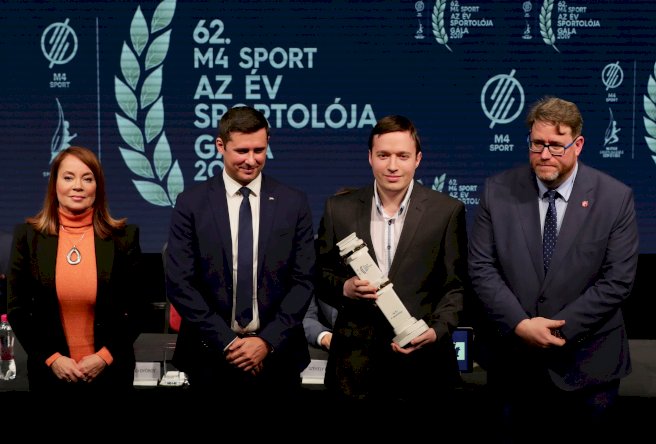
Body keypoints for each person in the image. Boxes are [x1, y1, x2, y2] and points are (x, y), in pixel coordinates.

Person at [468, 96, 639, 441]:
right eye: (537, 143)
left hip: (588, 368)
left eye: (556, 145)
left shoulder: (614, 198)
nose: (545, 154)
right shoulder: (497, 191)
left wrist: (557, 330)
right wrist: (521, 325)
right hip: (514, 365)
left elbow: (617, 281)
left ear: (578, 144)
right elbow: (482, 268)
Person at [315, 114, 469, 402]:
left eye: (403, 156)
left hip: (424, 365)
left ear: (418, 159)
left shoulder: (447, 211)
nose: (393, 165)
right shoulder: (338, 209)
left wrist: (436, 331)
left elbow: (456, 287)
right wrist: (345, 287)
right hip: (355, 368)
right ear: (370, 157)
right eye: (383, 155)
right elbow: (319, 275)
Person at [165, 106, 315, 398]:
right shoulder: (191, 203)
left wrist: (265, 342)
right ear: (220, 145)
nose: (251, 160)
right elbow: (180, 283)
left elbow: (303, 281)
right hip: (209, 357)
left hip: (278, 358)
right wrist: (229, 343)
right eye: (242, 151)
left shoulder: (293, 202)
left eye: (259, 150)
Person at [7, 146, 144, 392]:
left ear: (97, 187)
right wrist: (52, 358)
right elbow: (18, 310)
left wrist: (103, 357)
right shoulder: (27, 238)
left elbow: (138, 309)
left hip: (111, 375)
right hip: (50, 375)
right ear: (54, 185)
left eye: (87, 179)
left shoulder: (124, 238)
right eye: (68, 177)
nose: (78, 186)